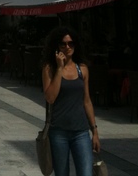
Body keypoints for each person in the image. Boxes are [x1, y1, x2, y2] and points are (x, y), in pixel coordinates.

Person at [42, 26, 100, 176]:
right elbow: (50, 98)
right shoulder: (49, 69)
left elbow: (87, 101)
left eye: (71, 43)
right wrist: (59, 68)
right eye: (63, 44)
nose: (67, 47)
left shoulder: (82, 69)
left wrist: (94, 131)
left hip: (81, 131)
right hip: (58, 132)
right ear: (56, 46)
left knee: (86, 173)